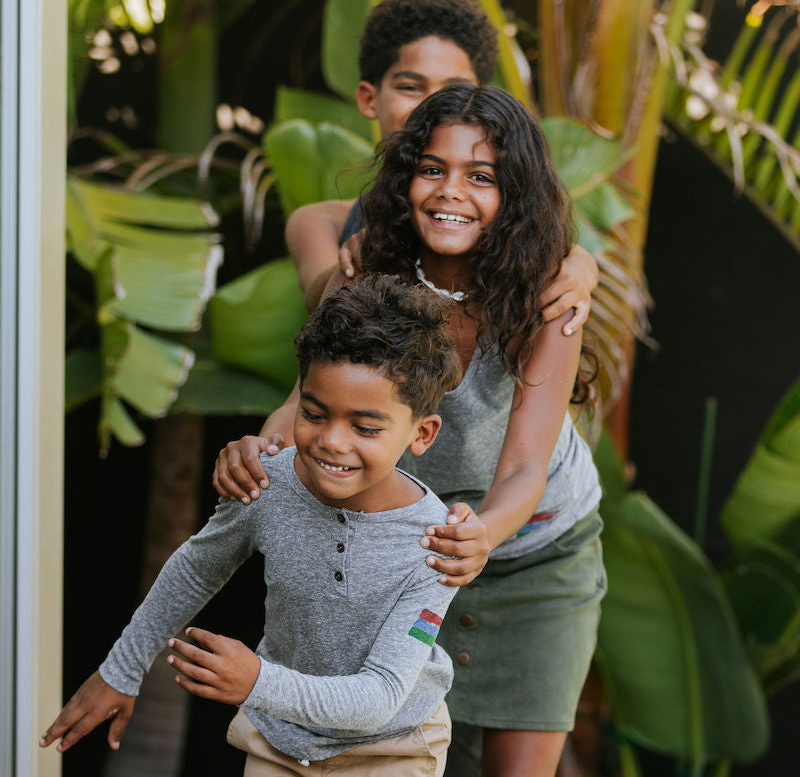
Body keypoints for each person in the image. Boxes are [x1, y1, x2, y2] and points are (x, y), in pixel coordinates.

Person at [215, 84, 606, 777]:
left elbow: (524, 467)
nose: (450, 191)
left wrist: (482, 533)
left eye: (480, 176)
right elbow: (303, 403)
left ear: (514, 193)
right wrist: (260, 450)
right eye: (432, 168)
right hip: (410, 558)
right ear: (405, 180)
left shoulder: (546, 296)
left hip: (539, 558)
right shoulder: (369, 273)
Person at [40, 275, 470, 776]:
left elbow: (382, 696)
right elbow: (196, 568)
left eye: (365, 427)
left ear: (422, 432)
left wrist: (256, 682)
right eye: (314, 413)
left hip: (394, 747)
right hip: (278, 742)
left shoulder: (438, 544)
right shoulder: (269, 484)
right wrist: (122, 668)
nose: (332, 441)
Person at [284, 0, 598, 325]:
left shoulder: (502, 218)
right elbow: (323, 300)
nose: (432, 106)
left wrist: (582, 265)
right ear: (368, 98)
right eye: (410, 87)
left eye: (454, 90)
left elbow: (555, 252)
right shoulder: (322, 222)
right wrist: (356, 262)